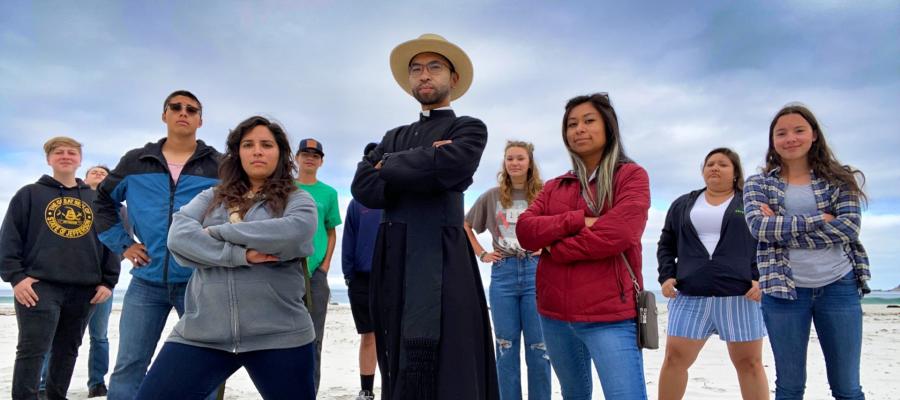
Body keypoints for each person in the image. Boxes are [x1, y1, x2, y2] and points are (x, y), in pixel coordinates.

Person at [351, 33, 499, 400]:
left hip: (444, 255)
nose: (423, 75)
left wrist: (388, 165)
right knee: (394, 353)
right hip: (393, 256)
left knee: (455, 358)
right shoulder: (393, 134)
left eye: (434, 67)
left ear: (454, 78)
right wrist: (423, 164)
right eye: (416, 69)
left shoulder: (468, 127)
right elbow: (362, 186)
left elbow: (455, 166)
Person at [131, 115, 317, 399]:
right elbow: (178, 237)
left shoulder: (297, 199)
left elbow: (293, 233)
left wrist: (214, 233)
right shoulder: (211, 196)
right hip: (203, 332)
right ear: (237, 152)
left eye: (266, 145)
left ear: (280, 153)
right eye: (248, 144)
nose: (257, 151)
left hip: (280, 334)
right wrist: (239, 254)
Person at [516, 93, 650, 400]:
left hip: (610, 316)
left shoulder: (630, 176)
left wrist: (554, 249)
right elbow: (525, 231)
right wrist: (577, 219)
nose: (579, 129)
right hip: (554, 315)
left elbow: (620, 233)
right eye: (572, 124)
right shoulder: (554, 186)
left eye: (589, 121)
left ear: (608, 126)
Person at [95, 90, 222, 400]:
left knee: (205, 365)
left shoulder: (219, 165)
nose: (183, 112)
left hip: (199, 283)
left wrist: (216, 249)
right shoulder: (136, 161)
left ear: (200, 120)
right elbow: (102, 203)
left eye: (191, 109)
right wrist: (124, 245)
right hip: (146, 281)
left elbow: (240, 211)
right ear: (164, 115)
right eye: (175, 107)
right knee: (129, 364)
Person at [743, 103, 870, 400]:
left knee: (847, 387)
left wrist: (782, 226)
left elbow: (848, 228)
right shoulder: (758, 183)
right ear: (773, 140)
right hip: (782, 290)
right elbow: (759, 229)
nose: (791, 138)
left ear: (813, 134)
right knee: (789, 387)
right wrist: (820, 219)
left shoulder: (841, 180)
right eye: (781, 133)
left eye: (799, 130)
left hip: (839, 286)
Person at [1, 137, 119, 400]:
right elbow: (9, 237)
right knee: (33, 350)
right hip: (39, 287)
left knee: (67, 351)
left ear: (79, 159)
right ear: (49, 159)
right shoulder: (29, 194)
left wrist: (108, 282)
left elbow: (111, 240)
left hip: (85, 288)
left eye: (72, 152)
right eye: (58, 152)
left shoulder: (97, 200)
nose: (65, 156)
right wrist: (16, 278)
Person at [656, 148, 769, 400]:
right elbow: (666, 243)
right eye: (710, 164)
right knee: (674, 360)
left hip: (740, 296)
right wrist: (666, 275)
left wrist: (761, 278)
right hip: (690, 294)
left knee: (750, 364)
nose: (715, 168)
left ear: (735, 172)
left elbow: (767, 242)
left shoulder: (749, 203)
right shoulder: (683, 204)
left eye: (723, 164)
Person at [465, 140, 550, 400]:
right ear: (504, 163)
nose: (514, 163)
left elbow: (564, 226)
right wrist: (482, 253)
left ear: (529, 162)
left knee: (539, 348)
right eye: (510, 158)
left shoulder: (544, 194)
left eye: (520, 158)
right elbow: (465, 225)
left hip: (536, 272)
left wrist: (547, 248)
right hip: (503, 273)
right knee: (505, 346)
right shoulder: (492, 196)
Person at [37, 165, 130, 398]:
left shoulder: (119, 210)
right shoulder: (63, 203)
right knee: (56, 336)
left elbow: (123, 244)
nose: (99, 174)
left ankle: (97, 383)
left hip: (99, 285)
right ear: (84, 177)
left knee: (99, 336)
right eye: (94, 172)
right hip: (62, 284)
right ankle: (43, 385)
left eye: (104, 173)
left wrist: (107, 276)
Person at [294, 137, 342, 392]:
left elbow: (331, 231)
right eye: (305, 153)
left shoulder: (329, 193)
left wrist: (324, 267)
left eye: (315, 154)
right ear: (296, 158)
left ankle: (309, 392)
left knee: (314, 340)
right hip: (285, 272)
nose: (310, 157)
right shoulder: (284, 187)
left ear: (321, 161)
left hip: (315, 276)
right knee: (282, 338)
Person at [342, 142, 383, 400]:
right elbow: (348, 239)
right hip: (362, 278)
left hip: (392, 277)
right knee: (369, 336)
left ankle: (392, 386)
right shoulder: (357, 203)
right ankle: (366, 390)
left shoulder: (400, 197)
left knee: (393, 337)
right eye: (371, 159)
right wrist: (348, 275)